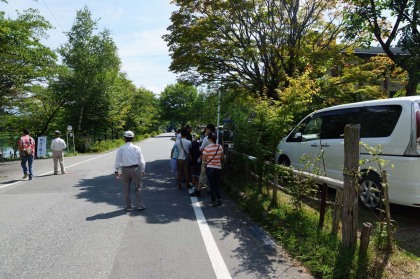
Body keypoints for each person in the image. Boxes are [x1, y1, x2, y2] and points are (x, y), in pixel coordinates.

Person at [114, 131, 146, 211]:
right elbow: (141, 160)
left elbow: (118, 162)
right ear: (133, 138)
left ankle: (128, 206)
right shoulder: (137, 148)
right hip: (135, 169)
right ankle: (140, 205)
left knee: (126, 189)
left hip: (125, 170)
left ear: (124, 138)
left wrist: (117, 172)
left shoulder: (121, 149)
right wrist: (142, 170)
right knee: (138, 187)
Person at [202, 132, 224, 207]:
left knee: (211, 185)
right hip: (218, 168)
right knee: (217, 185)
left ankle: (214, 201)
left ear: (210, 139)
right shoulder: (220, 147)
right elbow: (221, 158)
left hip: (210, 168)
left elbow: (204, 159)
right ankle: (219, 200)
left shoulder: (207, 148)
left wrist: (206, 162)